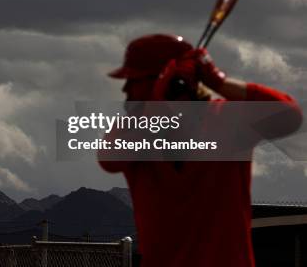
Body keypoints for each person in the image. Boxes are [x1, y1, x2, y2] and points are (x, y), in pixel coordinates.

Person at [98, 34, 303, 267]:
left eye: (134, 80)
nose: (126, 89)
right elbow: (109, 158)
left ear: (163, 80)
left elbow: (290, 116)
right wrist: (163, 108)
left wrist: (218, 81)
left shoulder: (226, 120)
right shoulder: (131, 129)